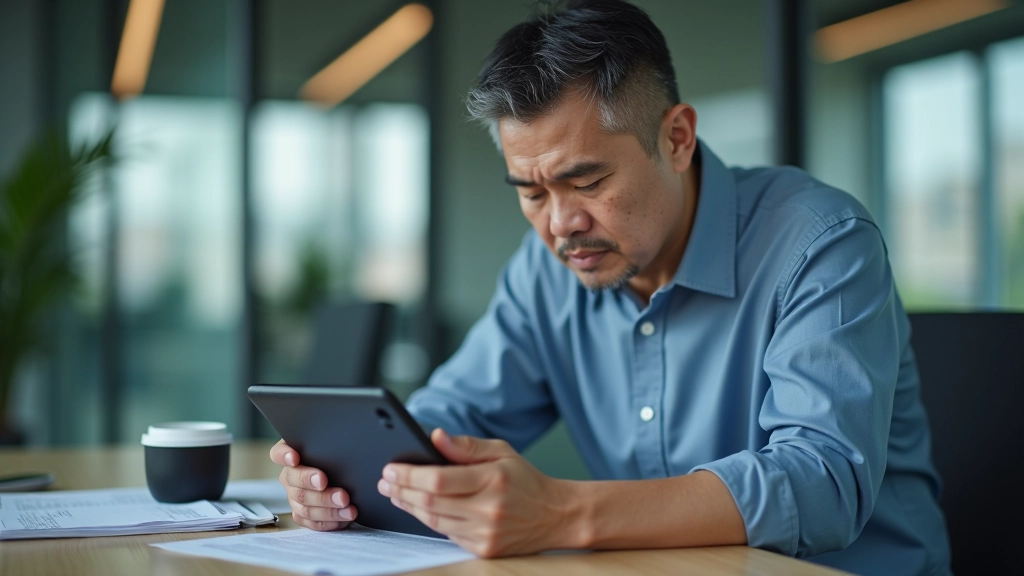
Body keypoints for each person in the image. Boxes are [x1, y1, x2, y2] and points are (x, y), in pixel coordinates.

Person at [270, 0, 951, 573]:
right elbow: (453, 420)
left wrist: (561, 512)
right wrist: (357, 473)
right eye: (530, 192)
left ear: (677, 138)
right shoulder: (548, 269)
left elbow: (821, 484)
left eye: (588, 182)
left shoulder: (819, 243)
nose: (561, 225)